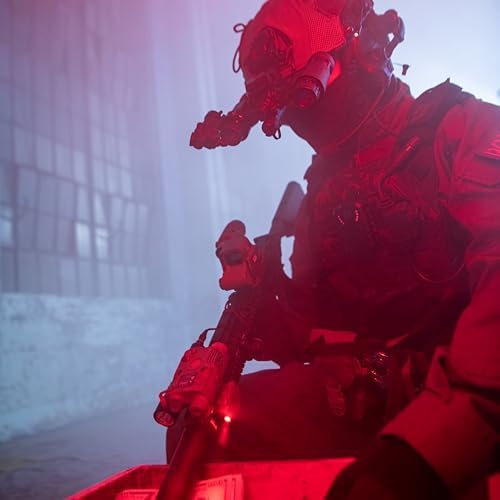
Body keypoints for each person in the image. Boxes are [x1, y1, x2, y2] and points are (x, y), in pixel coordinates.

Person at [174, 0, 500, 497]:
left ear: (364, 52)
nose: (305, 127)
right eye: (288, 114)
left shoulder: (461, 132)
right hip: (376, 396)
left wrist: (422, 451)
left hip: (468, 393)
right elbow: (316, 334)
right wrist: (266, 302)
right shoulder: (321, 197)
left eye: (307, 99)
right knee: (206, 435)